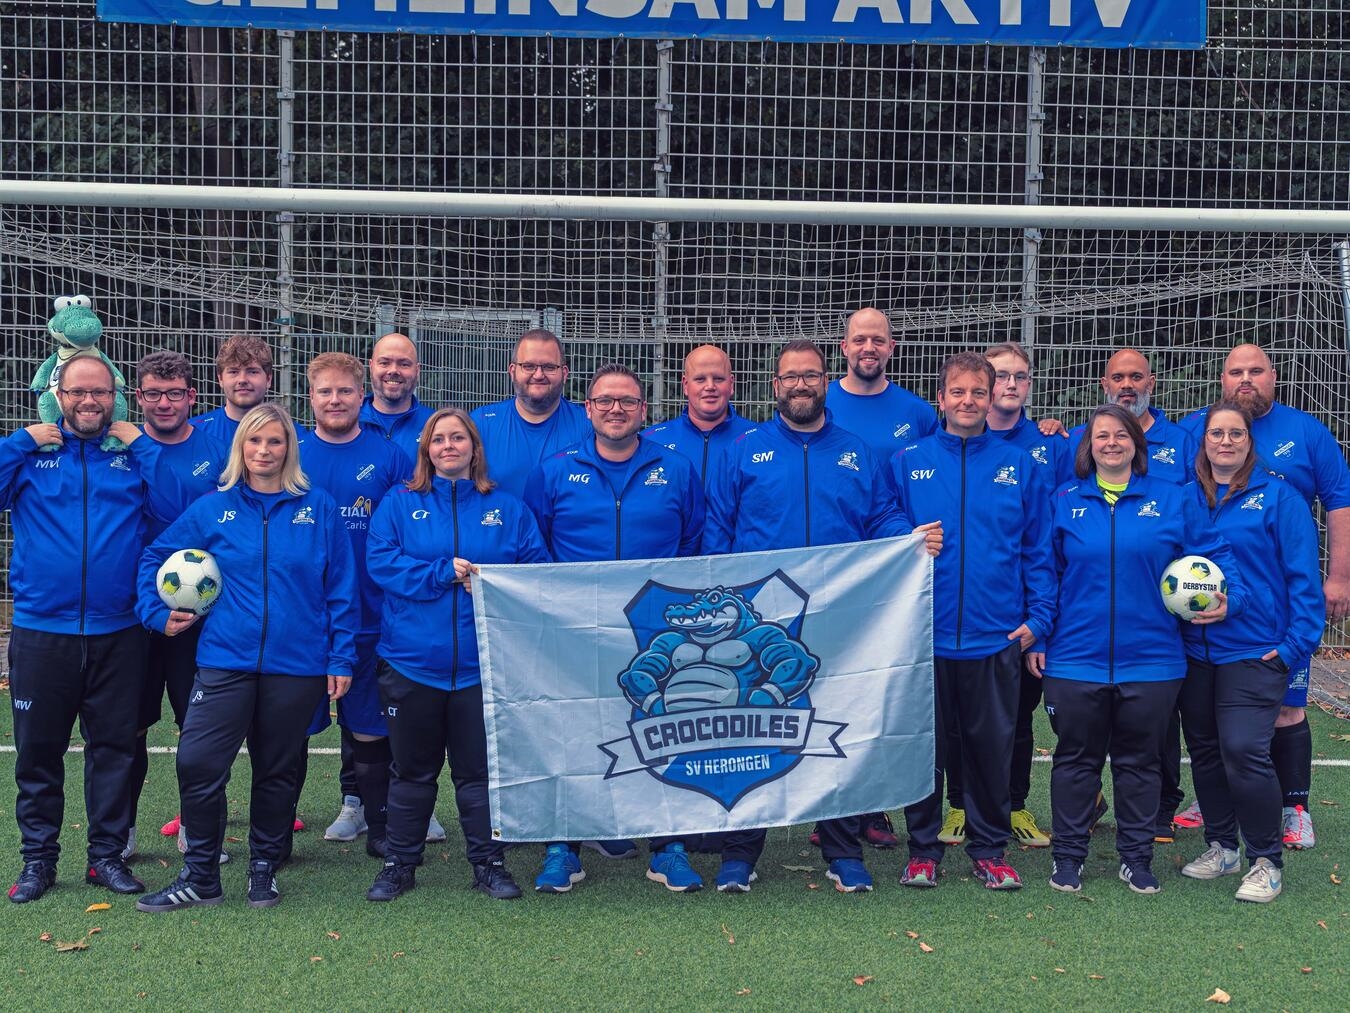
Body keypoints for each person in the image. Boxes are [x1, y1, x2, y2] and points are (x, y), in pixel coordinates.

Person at [703, 339, 942, 894]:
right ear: (775, 386)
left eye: (811, 375)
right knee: (754, 732)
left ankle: (842, 849)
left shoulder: (855, 451)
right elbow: (718, 531)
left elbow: (881, 515)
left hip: (841, 617)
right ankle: (741, 851)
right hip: (761, 622)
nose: (801, 385)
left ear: (825, 382)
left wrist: (907, 541)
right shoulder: (745, 449)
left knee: (836, 730)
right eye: (791, 376)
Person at [135, 403, 360, 912]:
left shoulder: (318, 508)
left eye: (275, 441)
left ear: (289, 448)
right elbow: (154, 555)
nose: (264, 450)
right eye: (254, 441)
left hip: (297, 665)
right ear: (241, 448)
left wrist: (341, 656)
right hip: (225, 660)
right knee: (197, 762)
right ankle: (201, 876)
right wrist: (155, 611)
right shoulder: (213, 508)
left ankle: (264, 867)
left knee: (278, 771)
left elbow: (341, 588)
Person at [1041, 404, 1245, 896]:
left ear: (1137, 443)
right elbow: (1043, 573)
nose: (1111, 443)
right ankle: (1068, 858)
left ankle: (1136, 859)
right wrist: (1041, 635)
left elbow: (1216, 554)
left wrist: (1232, 598)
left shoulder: (1173, 499)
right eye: (1101, 436)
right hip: (1075, 658)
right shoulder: (1063, 501)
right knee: (1076, 761)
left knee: (1139, 762)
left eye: (1121, 435)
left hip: (1153, 660)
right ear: (1088, 446)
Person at [524, 363, 707, 892]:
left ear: (644, 410)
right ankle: (563, 846)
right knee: (572, 732)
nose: (615, 409)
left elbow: (695, 543)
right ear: (588, 409)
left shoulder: (676, 469)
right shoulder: (555, 470)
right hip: (575, 627)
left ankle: (668, 847)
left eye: (627, 401)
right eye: (605, 400)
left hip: (657, 631)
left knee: (666, 728)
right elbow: (535, 548)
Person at [364, 409, 549, 902]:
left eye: (458, 438)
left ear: (474, 447)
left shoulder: (507, 508)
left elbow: (536, 574)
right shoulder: (398, 504)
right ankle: (400, 865)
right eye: (439, 439)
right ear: (426, 449)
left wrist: (491, 581)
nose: (449, 446)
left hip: (482, 668)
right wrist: (441, 573)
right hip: (411, 664)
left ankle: (488, 865)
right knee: (411, 773)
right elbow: (381, 563)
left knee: (479, 775)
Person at [889, 352, 1055, 891]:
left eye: (978, 392)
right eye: (957, 391)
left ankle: (989, 850)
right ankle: (922, 850)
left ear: (991, 398)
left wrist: (1040, 617)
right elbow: (881, 521)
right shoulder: (907, 460)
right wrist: (907, 536)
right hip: (924, 637)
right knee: (925, 751)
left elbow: (1038, 548)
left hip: (995, 637)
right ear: (940, 398)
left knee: (990, 752)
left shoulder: (1020, 465)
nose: (968, 401)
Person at [3, 356, 165, 903]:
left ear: (115, 397)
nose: (89, 401)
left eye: (99, 392)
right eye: (77, 392)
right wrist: (19, 442)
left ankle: (106, 858)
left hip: (119, 632)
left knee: (114, 750)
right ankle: (38, 861)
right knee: (37, 753)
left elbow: (176, 507)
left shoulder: (132, 457)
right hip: (41, 632)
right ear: (59, 395)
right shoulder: (30, 456)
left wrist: (143, 445)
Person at [1181, 343, 1350, 850]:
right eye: (1236, 371)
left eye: (1256, 370)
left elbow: (1339, 502)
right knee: (1216, 735)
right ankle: (1221, 811)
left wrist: (1339, 577)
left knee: (1286, 711)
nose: (1246, 379)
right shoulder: (1192, 434)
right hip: (1205, 630)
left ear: (1273, 376)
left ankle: (1294, 809)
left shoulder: (1306, 434)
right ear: (1222, 380)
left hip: (1272, 616)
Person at [1176, 401, 1323, 903]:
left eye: (1235, 433)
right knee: (1205, 750)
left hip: (1256, 650)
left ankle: (1266, 860)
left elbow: (1304, 581)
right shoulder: (1184, 498)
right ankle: (1222, 846)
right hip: (1195, 651)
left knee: (1243, 750)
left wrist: (1292, 648)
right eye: (1216, 433)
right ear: (1204, 441)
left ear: (1249, 442)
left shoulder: (1281, 498)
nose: (1226, 441)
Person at [820, 307, 938, 849]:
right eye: (859, 339)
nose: (869, 347)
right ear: (844, 347)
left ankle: (869, 809)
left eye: (879, 340)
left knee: (873, 695)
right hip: (828, 575)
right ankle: (825, 809)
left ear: (892, 348)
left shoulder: (916, 412)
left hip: (889, 582)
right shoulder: (820, 401)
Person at [296, 353, 415, 859]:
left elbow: (410, 524)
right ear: (311, 398)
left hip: (372, 613)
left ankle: (378, 816)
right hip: (304, 618)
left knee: (370, 722)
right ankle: (277, 831)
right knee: (289, 729)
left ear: (361, 396)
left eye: (345, 391)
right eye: (325, 391)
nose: (335, 400)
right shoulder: (291, 452)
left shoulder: (390, 456)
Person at [125, 351, 231, 864]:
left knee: (200, 729)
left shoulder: (216, 452)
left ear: (192, 396)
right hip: (132, 614)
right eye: (153, 393)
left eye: (174, 393)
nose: (163, 403)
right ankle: (120, 831)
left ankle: (197, 828)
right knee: (129, 728)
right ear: (138, 397)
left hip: (200, 616)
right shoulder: (119, 448)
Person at [471, 328, 590, 498]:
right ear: (512, 371)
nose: (539, 375)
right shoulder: (481, 424)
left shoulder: (588, 426)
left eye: (549, 367)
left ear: (564, 374)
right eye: (528, 366)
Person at [642, 344, 754, 485]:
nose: (710, 386)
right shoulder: (650, 441)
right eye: (700, 379)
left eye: (718, 379)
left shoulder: (757, 440)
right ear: (685, 385)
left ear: (731, 384)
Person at [359, 332, 434, 460]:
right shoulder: (349, 422)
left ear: (417, 370)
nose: (393, 370)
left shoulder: (434, 424)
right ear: (371, 367)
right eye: (384, 363)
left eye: (404, 364)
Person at [191, 334, 273, 443]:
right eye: (234, 372)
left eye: (252, 372)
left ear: (268, 379)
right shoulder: (193, 432)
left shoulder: (291, 434)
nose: (242, 380)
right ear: (220, 379)